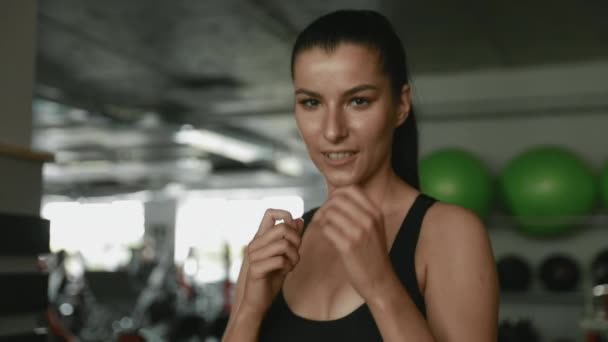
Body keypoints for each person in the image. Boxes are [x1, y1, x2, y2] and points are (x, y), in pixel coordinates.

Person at [222, 9, 498, 341]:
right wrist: (249, 311)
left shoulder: (448, 233)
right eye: (312, 103)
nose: (333, 131)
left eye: (358, 101)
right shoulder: (278, 248)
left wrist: (381, 286)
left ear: (400, 105)